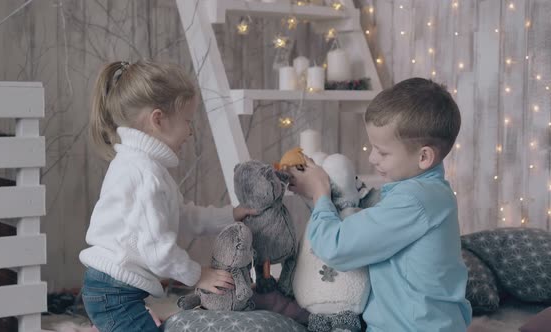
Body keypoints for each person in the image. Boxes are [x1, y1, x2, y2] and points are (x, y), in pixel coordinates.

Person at [79, 60, 255, 332]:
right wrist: (200, 275)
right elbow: (158, 251)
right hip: (113, 293)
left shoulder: (147, 167)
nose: (191, 131)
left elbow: (183, 215)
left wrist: (229, 215)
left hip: (114, 288)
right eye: (187, 121)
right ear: (158, 119)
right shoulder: (144, 173)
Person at [288, 77, 472, 331]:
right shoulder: (427, 193)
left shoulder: (413, 202)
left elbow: (337, 248)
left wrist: (319, 193)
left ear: (424, 157)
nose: (372, 158)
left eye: (383, 152)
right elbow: (373, 215)